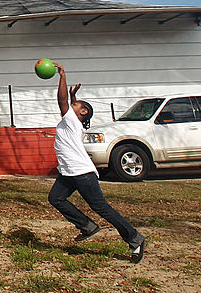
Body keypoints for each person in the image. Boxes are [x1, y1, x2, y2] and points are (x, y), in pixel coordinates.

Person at [47, 62, 147, 263]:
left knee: (101, 208)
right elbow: (69, 105)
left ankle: (135, 238)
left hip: (82, 174)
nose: (70, 105)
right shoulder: (73, 121)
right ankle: (87, 226)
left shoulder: (71, 121)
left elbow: (61, 101)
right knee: (55, 198)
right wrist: (75, 98)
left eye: (74, 105)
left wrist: (62, 75)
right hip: (68, 174)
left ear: (82, 112)